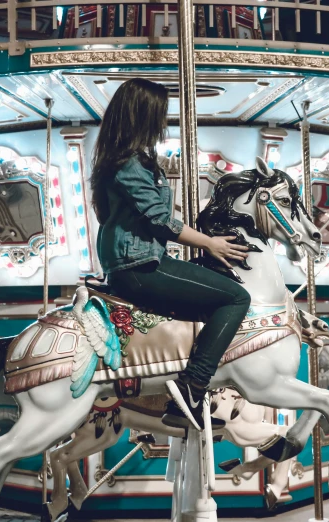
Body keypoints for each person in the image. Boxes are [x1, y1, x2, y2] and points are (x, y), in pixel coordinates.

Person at [91, 78, 252, 430]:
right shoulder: (129, 163)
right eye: (160, 114)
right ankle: (192, 389)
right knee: (237, 298)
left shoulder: (125, 161)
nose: (164, 122)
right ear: (143, 115)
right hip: (139, 266)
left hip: (138, 260)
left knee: (214, 298)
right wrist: (211, 244)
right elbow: (160, 220)